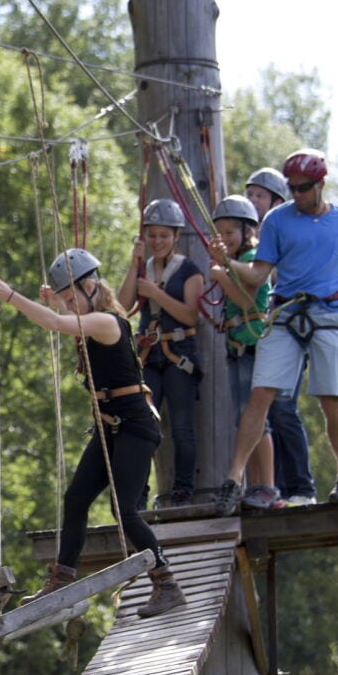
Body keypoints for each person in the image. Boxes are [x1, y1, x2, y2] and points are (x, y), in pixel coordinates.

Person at [0, 249, 185, 618]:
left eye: (70, 297)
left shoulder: (108, 322)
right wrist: (56, 303)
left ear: (91, 287)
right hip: (110, 426)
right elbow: (64, 319)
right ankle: (62, 579)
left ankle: (166, 582)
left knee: (124, 509)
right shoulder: (92, 319)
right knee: (76, 498)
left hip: (135, 427)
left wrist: (13, 296)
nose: (67, 304)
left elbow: (56, 324)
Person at [212, 149, 338, 514]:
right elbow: (257, 276)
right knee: (261, 395)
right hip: (287, 314)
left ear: (321, 184)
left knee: (329, 398)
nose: (297, 195)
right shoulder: (276, 220)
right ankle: (233, 479)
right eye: (292, 188)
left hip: (329, 312)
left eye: (303, 188)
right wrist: (227, 263)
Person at [118, 199, 204, 507]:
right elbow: (123, 307)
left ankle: (183, 489)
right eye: (152, 235)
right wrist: (133, 263)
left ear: (176, 237)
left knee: (181, 425)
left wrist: (156, 294)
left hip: (179, 351)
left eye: (163, 236)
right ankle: (138, 493)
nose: (157, 242)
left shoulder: (189, 270)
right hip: (149, 354)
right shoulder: (144, 268)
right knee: (143, 423)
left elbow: (191, 315)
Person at [246, 166, 317, 507]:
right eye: (250, 195)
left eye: (259, 195)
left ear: (276, 201)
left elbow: (273, 278)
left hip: (291, 326)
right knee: (265, 414)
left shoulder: (283, 233)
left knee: (284, 408)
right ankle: (275, 487)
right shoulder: (246, 238)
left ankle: (301, 486)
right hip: (266, 333)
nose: (253, 200)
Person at [208, 195, 280, 510]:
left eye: (230, 232)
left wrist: (223, 275)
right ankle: (257, 487)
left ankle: (266, 486)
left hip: (255, 345)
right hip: (239, 346)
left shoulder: (253, 258)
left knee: (255, 419)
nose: (224, 238)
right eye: (219, 232)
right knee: (244, 418)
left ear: (247, 231)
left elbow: (253, 302)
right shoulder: (236, 261)